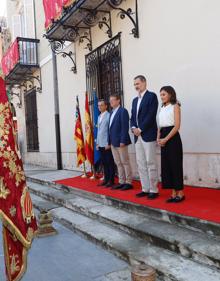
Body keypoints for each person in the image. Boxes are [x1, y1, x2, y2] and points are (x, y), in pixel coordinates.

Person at [130, 75, 159, 200]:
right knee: (140, 163)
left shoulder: (151, 96)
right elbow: (132, 117)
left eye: (138, 83)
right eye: (135, 84)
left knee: (150, 162)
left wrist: (140, 129)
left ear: (144, 83)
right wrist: (133, 128)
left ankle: (154, 189)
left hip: (148, 134)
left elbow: (151, 115)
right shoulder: (134, 100)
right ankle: (145, 188)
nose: (136, 86)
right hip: (137, 137)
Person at [157, 86, 184, 203]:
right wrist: (158, 138)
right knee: (167, 166)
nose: (161, 97)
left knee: (175, 165)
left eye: (163, 94)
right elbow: (160, 125)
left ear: (170, 94)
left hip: (172, 138)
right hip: (163, 136)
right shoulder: (162, 108)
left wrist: (166, 139)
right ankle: (173, 192)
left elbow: (177, 126)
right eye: (161, 95)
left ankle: (180, 193)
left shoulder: (175, 106)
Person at [109, 94, 133, 191]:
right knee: (118, 162)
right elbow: (110, 128)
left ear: (118, 101)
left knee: (125, 162)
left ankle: (128, 182)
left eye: (113, 100)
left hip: (120, 142)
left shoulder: (123, 111)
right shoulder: (111, 112)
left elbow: (124, 127)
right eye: (110, 101)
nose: (111, 102)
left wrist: (123, 140)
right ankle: (121, 181)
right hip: (113, 142)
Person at [96, 99, 115, 187]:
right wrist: (97, 143)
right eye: (98, 105)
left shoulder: (109, 115)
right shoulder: (99, 116)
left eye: (101, 105)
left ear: (106, 106)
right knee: (104, 163)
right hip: (100, 144)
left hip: (107, 144)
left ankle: (111, 181)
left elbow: (110, 131)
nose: (100, 107)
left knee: (109, 162)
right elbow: (99, 131)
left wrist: (109, 143)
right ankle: (106, 179)